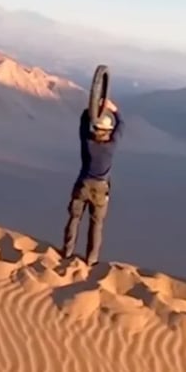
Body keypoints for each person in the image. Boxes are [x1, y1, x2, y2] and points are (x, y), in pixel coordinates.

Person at [61, 98, 124, 266]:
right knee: (96, 225)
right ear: (108, 130)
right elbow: (121, 125)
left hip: (83, 184)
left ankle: (67, 252)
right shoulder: (111, 146)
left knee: (74, 218)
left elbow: (83, 124)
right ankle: (91, 259)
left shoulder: (87, 142)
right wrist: (113, 109)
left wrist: (91, 108)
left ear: (95, 128)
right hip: (101, 189)